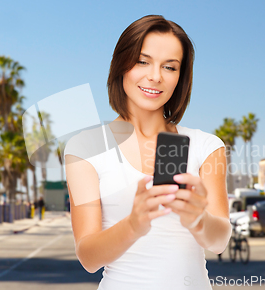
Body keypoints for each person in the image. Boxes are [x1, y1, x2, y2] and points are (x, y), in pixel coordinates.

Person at [64, 15, 232, 290]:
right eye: (143, 61)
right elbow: (88, 256)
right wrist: (133, 224)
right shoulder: (85, 148)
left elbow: (220, 240)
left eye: (170, 67)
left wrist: (198, 219)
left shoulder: (206, 146)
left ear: (181, 77)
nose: (155, 76)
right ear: (121, 64)